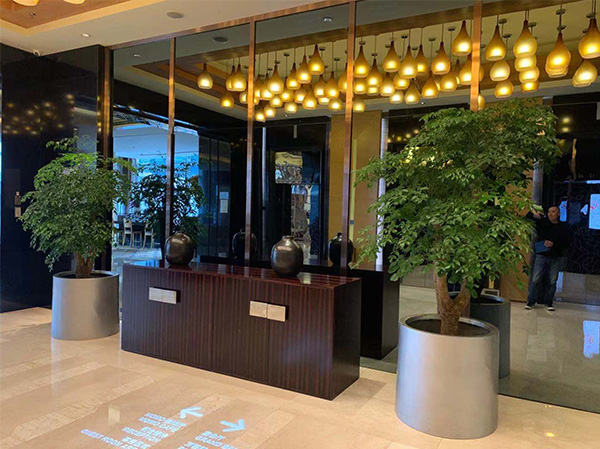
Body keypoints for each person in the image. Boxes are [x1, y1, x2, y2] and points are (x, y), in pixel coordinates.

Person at [526, 206, 571, 312]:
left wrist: (553, 244)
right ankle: (531, 301)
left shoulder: (563, 227)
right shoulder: (543, 223)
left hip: (556, 256)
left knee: (552, 280)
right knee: (535, 279)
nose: (550, 214)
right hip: (541, 255)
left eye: (553, 212)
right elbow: (527, 218)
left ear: (558, 214)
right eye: (549, 212)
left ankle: (548, 302)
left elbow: (566, 243)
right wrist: (534, 214)